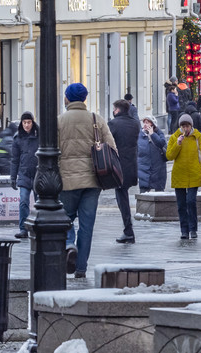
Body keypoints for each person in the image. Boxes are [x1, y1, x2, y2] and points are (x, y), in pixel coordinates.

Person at [58, 83, 116, 278]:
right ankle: (81, 268)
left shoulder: (59, 121)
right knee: (87, 225)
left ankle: (68, 244)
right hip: (93, 181)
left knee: (64, 219)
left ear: (67, 98)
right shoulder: (96, 120)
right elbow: (112, 149)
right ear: (84, 99)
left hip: (67, 181)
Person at [167, 114, 201, 239]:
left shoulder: (197, 137)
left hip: (194, 175)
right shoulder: (175, 137)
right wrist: (178, 144)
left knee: (191, 201)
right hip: (179, 175)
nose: (185, 128)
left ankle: (193, 229)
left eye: (187, 126)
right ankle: (184, 231)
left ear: (191, 126)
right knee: (181, 205)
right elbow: (169, 155)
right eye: (183, 126)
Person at [109, 99, 141, 244]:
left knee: (122, 198)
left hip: (117, 166)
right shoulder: (135, 124)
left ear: (118, 110)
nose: (113, 111)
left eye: (114, 109)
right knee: (124, 196)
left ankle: (128, 231)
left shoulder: (114, 124)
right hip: (131, 166)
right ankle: (128, 230)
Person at [10, 111, 39, 239]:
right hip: (24, 173)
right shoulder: (18, 138)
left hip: (38, 174)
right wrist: (13, 177)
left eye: (29, 122)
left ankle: (39, 227)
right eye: (24, 122)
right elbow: (14, 159)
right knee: (23, 202)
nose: (27, 125)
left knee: (40, 203)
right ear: (21, 124)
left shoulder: (40, 136)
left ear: (33, 122)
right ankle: (23, 229)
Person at [138, 116, 167, 193]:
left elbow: (161, 143)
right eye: (144, 122)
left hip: (158, 167)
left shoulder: (159, 133)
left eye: (147, 122)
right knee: (143, 193)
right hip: (144, 168)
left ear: (153, 124)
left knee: (159, 192)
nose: (144, 124)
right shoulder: (140, 135)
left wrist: (152, 134)